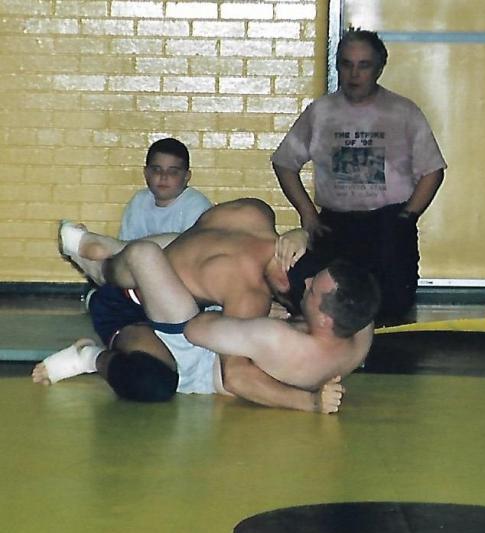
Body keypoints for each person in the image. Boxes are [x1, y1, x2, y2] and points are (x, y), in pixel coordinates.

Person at [34, 199, 379, 413]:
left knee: (151, 378)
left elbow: (201, 334)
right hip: (162, 302)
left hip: (182, 326)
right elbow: (354, 287)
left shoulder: (256, 216)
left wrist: (311, 404)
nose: (308, 284)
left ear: (324, 317)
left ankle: (91, 342)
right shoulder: (358, 337)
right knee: (158, 259)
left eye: (310, 291)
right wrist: (302, 234)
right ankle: (105, 261)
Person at [271, 29, 447, 325]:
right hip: (335, 225)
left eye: (363, 65)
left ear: (379, 68)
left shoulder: (403, 112)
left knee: (393, 305)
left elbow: (433, 171)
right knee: (319, 300)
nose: (354, 74)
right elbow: (284, 163)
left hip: (387, 224)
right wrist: (308, 214)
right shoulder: (321, 112)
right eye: (346, 64)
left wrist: (406, 217)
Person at [87, 137, 213, 344]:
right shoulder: (139, 201)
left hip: (183, 290)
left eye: (173, 172)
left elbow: (195, 264)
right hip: (140, 284)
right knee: (105, 295)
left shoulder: (195, 206)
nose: (163, 177)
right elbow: (124, 257)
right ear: (146, 173)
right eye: (156, 170)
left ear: (186, 177)